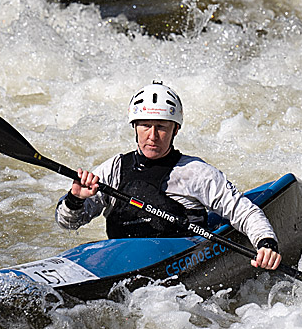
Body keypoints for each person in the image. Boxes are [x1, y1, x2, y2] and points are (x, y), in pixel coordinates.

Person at [55, 81, 282, 271]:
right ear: (134, 127)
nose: (152, 136)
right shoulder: (113, 169)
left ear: (175, 129)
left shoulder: (195, 173)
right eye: (145, 126)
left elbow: (243, 211)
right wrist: (76, 198)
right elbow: (67, 223)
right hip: (121, 265)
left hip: (178, 268)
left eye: (161, 127)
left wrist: (266, 243)